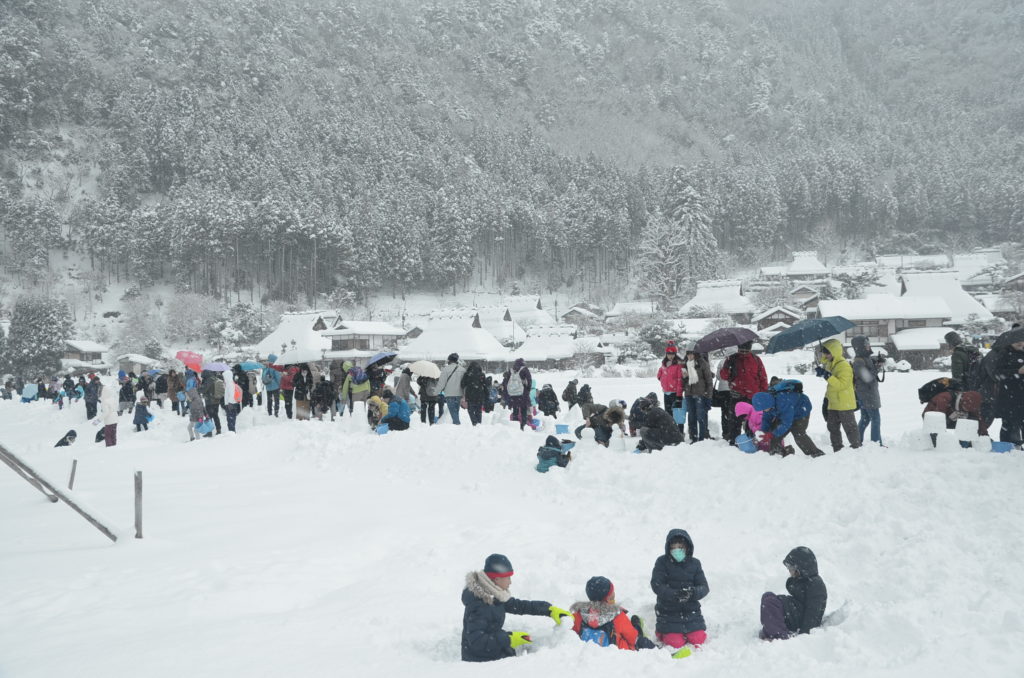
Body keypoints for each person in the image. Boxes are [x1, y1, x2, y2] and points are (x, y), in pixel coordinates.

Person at [460, 554, 571, 662]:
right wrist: (508, 639)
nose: (510, 582)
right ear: (496, 579)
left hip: (491, 650)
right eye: (508, 577)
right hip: (479, 659)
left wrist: (548, 610)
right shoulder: (480, 605)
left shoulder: (494, 595)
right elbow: (477, 642)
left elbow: (519, 606)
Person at [650, 529, 709, 657]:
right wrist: (674, 594)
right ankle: (662, 633)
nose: (677, 550)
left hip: (691, 611)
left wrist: (692, 593)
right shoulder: (662, 562)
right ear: (668, 548)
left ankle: (685, 633)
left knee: (698, 639)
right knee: (675, 643)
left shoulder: (695, 564)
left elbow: (704, 587)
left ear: (687, 547)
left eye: (680, 547)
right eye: (673, 547)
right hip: (668, 611)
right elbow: (656, 585)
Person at [569, 576, 656, 650]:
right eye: (612, 597)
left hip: (591, 654)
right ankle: (637, 626)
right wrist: (655, 648)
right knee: (635, 630)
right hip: (619, 655)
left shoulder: (578, 615)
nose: (614, 600)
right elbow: (633, 639)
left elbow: (571, 634)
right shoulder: (617, 617)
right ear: (607, 600)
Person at [760, 547, 828, 640]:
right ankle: (772, 629)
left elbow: (813, 614)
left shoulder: (815, 585)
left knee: (770, 603)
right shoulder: (804, 580)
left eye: (791, 568)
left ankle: (780, 635)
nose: (789, 571)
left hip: (801, 619)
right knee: (767, 596)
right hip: (796, 614)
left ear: (801, 568)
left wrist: (804, 635)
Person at [751, 381, 825, 457]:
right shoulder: (767, 405)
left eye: (764, 409)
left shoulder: (783, 401)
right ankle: (778, 455)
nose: (764, 411)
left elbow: (786, 423)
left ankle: (817, 455)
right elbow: (766, 419)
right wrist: (763, 431)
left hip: (801, 411)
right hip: (785, 414)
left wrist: (771, 434)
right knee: (775, 433)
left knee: (798, 434)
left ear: (768, 403)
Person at [718, 341, 768, 445]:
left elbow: (763, 378)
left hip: (753, 396)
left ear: (750, 349)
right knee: (735, 422)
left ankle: (752, 441)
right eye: (742, 351)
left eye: (746, 351)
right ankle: (734, 441)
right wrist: (727, 365)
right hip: (737, 395)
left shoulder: (756, 360)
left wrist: (763, 395)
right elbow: (724, 376)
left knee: (753, 422)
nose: (744, 353)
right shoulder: (732, 359)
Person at [817, 339, 861, 452]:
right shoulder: (831, 364)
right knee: (832, 428)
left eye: (827, 352)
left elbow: (842, 385)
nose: (825, 355)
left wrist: (827, 376)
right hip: (833, 402)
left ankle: (856, 449)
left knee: (850, 428)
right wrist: (822, 371)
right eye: (824, 352)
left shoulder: (844, 366)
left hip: (844, 403)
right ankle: (838, 449)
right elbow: (831, 383)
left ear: (835, 352)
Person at [851, 335, 883, 446]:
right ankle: (875, 443)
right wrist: (877, 368)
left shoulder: (865, 358)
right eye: (866, 345)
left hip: (867, 393)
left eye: (869, 344)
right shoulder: (858, 361)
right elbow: (867, 378)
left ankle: (857, 441)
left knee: (865, 418)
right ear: (860, 347)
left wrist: (877, 362)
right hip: (867, 394)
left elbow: (869, 366)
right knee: (875, 419)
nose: (869, 346)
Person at [992, 336, 1024, 446]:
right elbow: (997, 373)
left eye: (1022, 340)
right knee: (1008, 424)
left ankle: (1018, 447)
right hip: (1009, 396)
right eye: (1017, 340)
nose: (1020, 343)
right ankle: (1006, 447)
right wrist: (1017, 371)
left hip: (1021, 395)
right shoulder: (1004, 354)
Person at [683, 349, 714, 442]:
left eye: (691, 354)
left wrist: (708, 396)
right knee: (691, 417)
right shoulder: (685, 364)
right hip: (689, 393)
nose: (690, 356)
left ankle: (702, 438)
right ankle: (693, 437)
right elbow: (683, 381)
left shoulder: (702, 363)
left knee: (701, 416)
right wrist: (685, 377)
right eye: (688, 354)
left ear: (695, 354)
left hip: (700, 394)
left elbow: (709, 380)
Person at [503, 358, 533, 430]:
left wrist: (507, 394)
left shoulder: (511, 371)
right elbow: (529, 381)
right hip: (522, 394)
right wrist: (527, 390)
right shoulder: (524, 369)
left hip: (513, 394)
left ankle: (515, 427)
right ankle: (523, 427)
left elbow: (505, 382)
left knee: (515, 411)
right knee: (523, 411)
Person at [438, 353, 467, 425]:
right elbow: (465, 383)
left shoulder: (445, 370)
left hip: (449, 393)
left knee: (453, 411)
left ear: (449, 360)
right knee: (456, 410)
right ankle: (456, 424)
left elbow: (441, 382)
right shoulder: (463, 370)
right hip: (459, 393)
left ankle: (457, 423)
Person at [657, 352, 685, 423]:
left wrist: (679, 396)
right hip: (666, 393)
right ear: (666, 354)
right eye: (669, 354)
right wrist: (661, 378)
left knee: (677, 415)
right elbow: (659, 374)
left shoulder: (678, 364)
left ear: (675, 354)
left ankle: (678, 432)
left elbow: (680, 380)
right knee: (668, 415)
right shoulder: (664, 363)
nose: (671, 356)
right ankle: (670, 431)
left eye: (672, 354)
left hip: (675, 393)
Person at [461, 362, 489, 426]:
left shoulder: (467, 374)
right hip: (479, 395)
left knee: (470, 410)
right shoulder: (482, 374)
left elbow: (462, 385)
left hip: (470, 395)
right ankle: (478, 423)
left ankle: (474, 422)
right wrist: (487, 395)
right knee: (478, 410)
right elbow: (485, 385)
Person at [100, 379, 120, 447]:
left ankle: (109, 449)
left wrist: (98, 420)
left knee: (108, 436)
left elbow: (106, 412)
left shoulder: (104, 401)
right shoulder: (112, 399)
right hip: (115, 419)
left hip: (109, 421)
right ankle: (114, 446)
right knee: (113, 435)